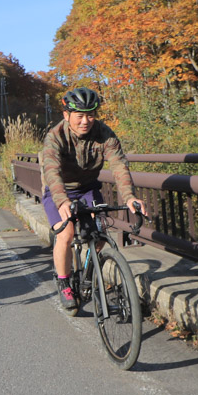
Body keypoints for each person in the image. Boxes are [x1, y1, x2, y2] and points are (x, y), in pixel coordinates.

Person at [41, 87, 147, 309]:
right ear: (66, 115)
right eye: (79, 116)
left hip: (88, 188)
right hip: (58, 190)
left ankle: (92, 275)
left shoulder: (104, 134)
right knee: (66, 233)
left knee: (98, 235)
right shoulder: (55, 136)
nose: (85, 121)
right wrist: (62, 201)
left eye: (90, 115)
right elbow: (52, 171)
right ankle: (65, 284)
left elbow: (118, 165)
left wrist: (129, 197)